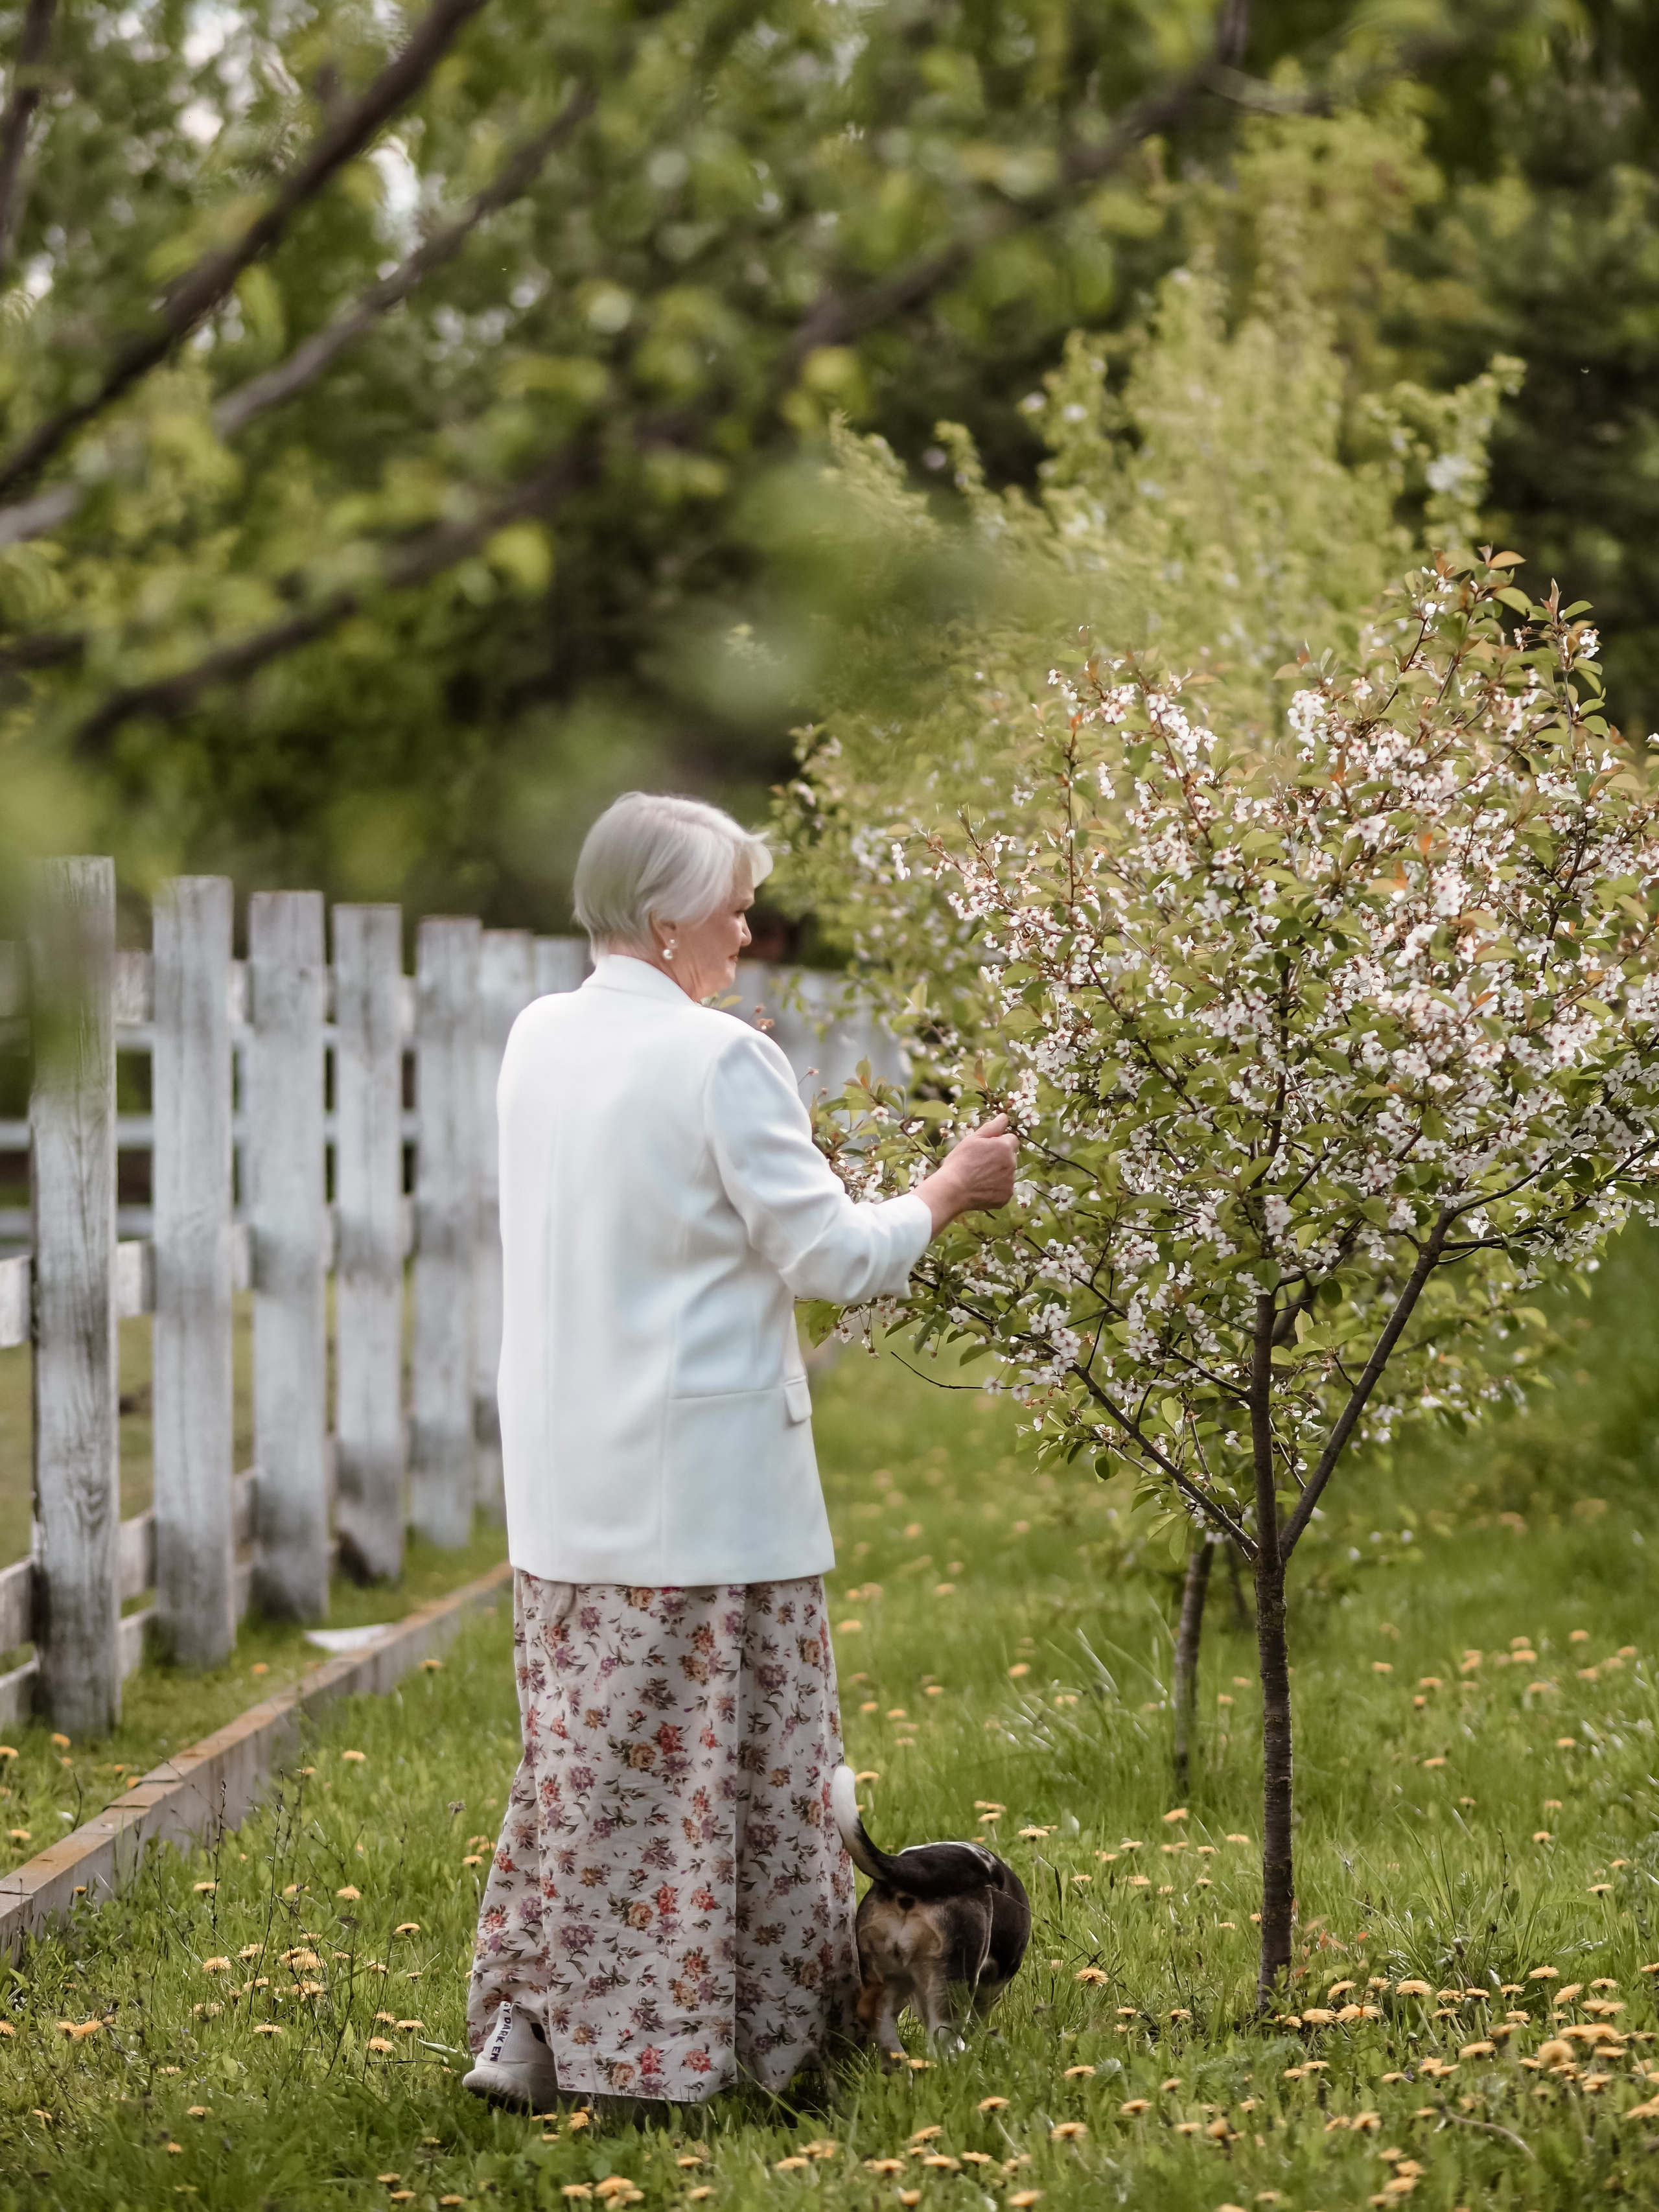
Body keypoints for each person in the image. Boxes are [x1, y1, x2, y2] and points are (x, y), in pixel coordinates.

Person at [463, 791, 1017, 2112]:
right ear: (665, 920)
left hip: (564, 1483)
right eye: (730, 902)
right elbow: (830, 1256)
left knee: (580, 1773)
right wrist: (947, 1187)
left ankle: (537, 2025)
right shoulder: (718, 1061)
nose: (748, 925)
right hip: (701, 1504)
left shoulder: (539, 1037)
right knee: (721, 1787)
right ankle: (705, 2051)